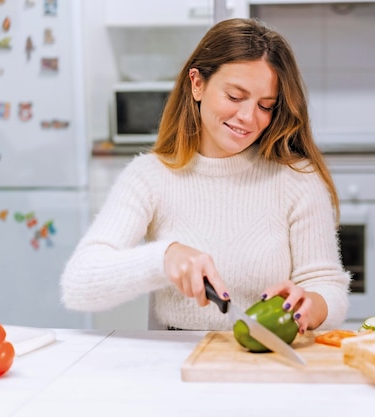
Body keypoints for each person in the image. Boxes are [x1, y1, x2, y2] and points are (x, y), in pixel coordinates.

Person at [61, 18, 350, 333]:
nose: (248, 117)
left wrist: (311, 303)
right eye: (235, 97)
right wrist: (164, 258)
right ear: (197, 84)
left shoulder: (297, 178)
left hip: (268, 363)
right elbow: (78, 284)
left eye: (266, 106)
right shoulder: (150, 176)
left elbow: (327, 286)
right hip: (178, 365)